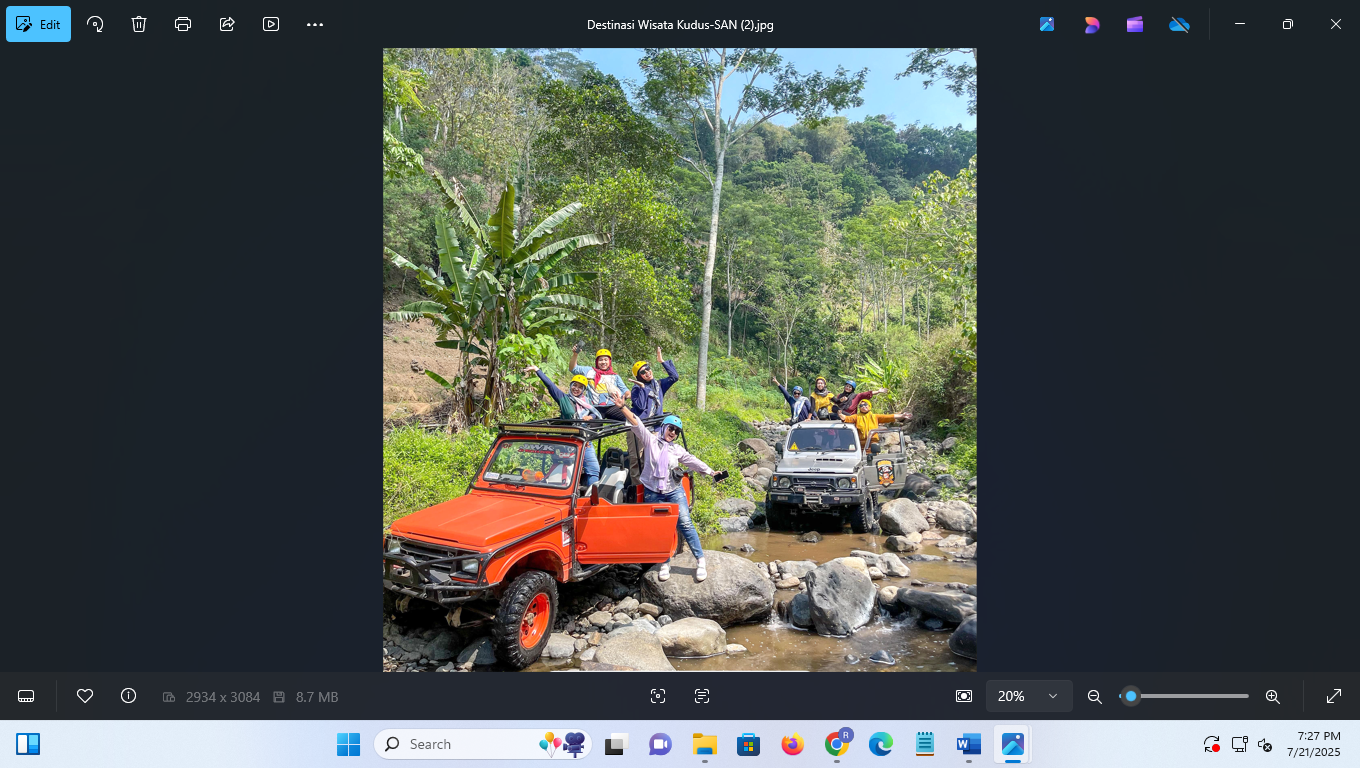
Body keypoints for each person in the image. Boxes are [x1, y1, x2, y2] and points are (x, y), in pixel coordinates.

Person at [609, 392, 719, 583]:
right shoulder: (651, 441)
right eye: (671, 428)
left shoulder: (677, 450)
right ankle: (664, 562)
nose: (673, 433)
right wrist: (622, 407)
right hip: (653, 492)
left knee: (684, 523)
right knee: (658, 529)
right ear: (664, 427)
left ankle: (700, 560)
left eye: (676, 431)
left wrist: (711, 472)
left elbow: (693, 462)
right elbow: (637, 423)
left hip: (674, 491)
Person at [522, 364, 601, 488]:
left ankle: (590, 498)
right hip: (569, 441)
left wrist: (591, 417)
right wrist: (538, 370)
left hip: (585, 440)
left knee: (594, 469)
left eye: (580, 387)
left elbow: (595, 412)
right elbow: (550, 386)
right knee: (569, 470)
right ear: (570, 386)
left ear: (583, 390)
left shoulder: (586, 402)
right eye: (574, 385)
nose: (576, 389)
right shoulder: (563, 398)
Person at [626, 347, 680, 484]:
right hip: (639, 427)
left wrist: (661, 361)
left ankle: (653, 485)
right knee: (636, 459)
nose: (647, 372)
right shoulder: (637, 388)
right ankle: (637, 488)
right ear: (639, 376)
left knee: (654, 457)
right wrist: (643, 389)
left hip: (655, 428)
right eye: (643, 372)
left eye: (648, 369)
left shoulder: (659, 385)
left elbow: (674, 377)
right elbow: (640, 406)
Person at [569, 343, 628, 420]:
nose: (603, 362)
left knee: (632, 418)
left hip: (613, 406)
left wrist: (628, 395)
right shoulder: (589, 371)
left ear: (609, 361)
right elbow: (573, 368)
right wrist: (575, 354)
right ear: (597, 361)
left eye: (606, 360)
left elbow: (626, 391)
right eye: (600, 360)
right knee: (588, 426)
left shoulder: (615, 376)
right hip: (594, 408)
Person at [839, 397, 911, 452]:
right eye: (861, 405)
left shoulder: (874, 416)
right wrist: (840, 414)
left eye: (865, 404)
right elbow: (847, 418)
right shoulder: (856, 417)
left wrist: (902, 416)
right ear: (859, 408)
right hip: (860, 443)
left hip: (873, 443)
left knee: (872, 461)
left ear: (869, 406)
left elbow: (888, 417)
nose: (863, 406)